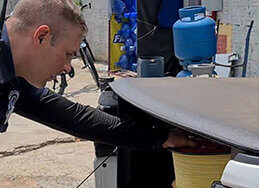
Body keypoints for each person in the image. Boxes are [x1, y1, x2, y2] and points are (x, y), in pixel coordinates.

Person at [0, 0, 194, 149]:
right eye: (68, 54)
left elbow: (73, 117)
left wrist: (160, 137)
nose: (68, 67)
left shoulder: (14, 77)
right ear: (41, 36)